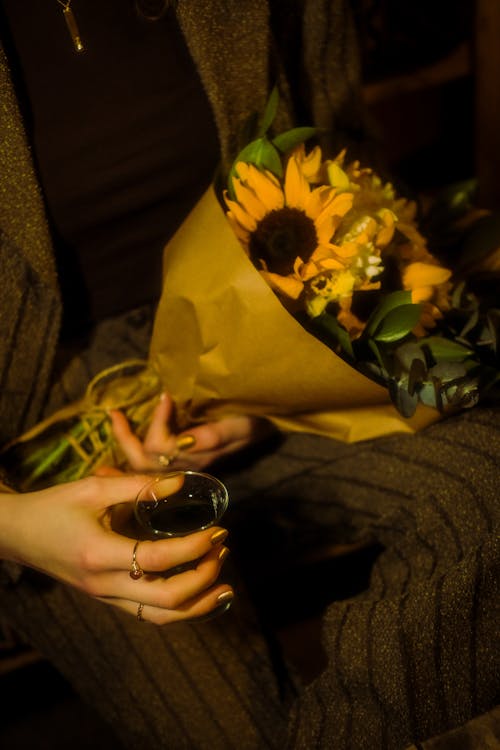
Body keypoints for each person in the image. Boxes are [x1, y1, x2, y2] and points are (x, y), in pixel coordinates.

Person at [0, 1, 498, 748]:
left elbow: (341, 164)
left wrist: (283, 388)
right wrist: (14, 528)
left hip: (267, 349)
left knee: (486, 478)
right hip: (37, 454)